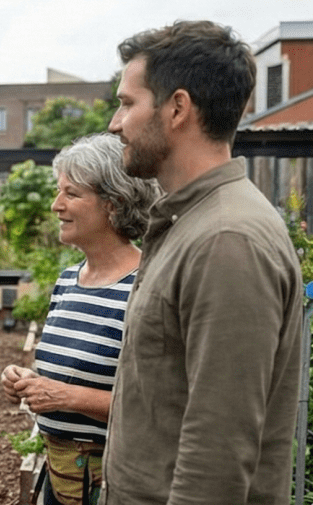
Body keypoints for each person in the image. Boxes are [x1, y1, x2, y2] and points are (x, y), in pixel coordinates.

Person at [101, 21, 303, 504]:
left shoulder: (226, 240)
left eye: (128, 103)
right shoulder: (191, 221)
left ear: (177, 108)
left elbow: (219, 450)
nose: (114, 123)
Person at [0, 133, 160, 505]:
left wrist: (67, 396)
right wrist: (29, 382)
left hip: (115, 483)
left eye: (71, 194)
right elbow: (75, 371)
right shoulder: (68, 280)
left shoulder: (147, 285)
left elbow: (157, 405)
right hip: (60, 479)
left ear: (113, 204)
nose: (57, 205)